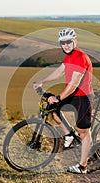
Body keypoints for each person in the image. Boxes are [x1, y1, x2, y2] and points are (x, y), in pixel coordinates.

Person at [33, 28, 93, 174]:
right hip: (73, 95)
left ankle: (82, 166)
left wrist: (59, 97)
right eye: (63, 43)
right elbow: (59, 71)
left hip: (83, 97)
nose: (65, 45)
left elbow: (73, 85)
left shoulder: (80, 57)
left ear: (75, 41)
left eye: (68, 42)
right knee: (51, 108)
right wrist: (42, 80)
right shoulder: (69, 56)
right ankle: (68, 134)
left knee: (83, 132)